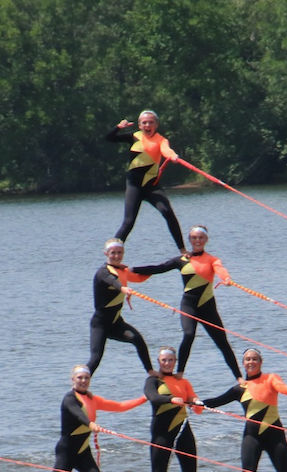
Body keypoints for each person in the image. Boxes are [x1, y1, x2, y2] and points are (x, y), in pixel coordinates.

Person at [41, 365, 146, 472]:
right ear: (73, 379)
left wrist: (144, 398)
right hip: (66, 453)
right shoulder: (69, 399)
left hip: (83, 452)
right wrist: (90, 424)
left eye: (86, 378)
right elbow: (78, 414)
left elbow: (119, 406)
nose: (83, 381)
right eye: (80, 378)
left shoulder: (92, 399)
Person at [133, 225, 242, 378]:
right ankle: (179, 372)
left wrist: (226, 278)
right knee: (189, 334)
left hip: (207, 306)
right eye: (194, 237)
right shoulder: (181, 260)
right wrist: (131, 270)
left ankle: (239, 378)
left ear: (206, 240)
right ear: (189, 239)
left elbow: (220, 269)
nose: (197, 240)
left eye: (201, 237)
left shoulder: (212, 260)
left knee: (222, 342)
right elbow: (159, 268)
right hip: (188, 305)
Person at [106, 110, 186, 254]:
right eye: (144, 122)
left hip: (151, 186)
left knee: (167, 212)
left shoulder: (161, 140)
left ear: (156, 125)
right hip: (134, 186)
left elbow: (166, 150)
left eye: (151, 122)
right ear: (139, 125)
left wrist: (173, 156)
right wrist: (118, 127)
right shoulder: (133, 137)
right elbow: (109, 138)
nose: (147, 125)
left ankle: (183, 251)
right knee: (128, 222)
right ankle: (111, 253)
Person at [144, 346, 206, 472]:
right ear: (158, 362)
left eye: (170, 360)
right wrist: (171, 399)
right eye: (164, 360)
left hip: (183, 431)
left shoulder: (183, 382)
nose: (167, 363)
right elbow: (153, 397)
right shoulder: (153, 380)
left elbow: (195, 403)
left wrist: (197, 402)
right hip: (161, 434)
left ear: (175, 362)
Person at [87, 238, 155, 375]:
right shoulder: (103, 272)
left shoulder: (123, 271)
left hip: (116, 323)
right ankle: (78, 385)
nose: (117, 256)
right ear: (106, 253)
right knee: (96, 358)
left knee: (137, 339)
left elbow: (139, 278)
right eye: (113, 253)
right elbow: (112, 281)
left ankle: (151, 372)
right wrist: (123, 289)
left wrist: (161, 268)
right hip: (100, 324)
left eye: (120, 252)